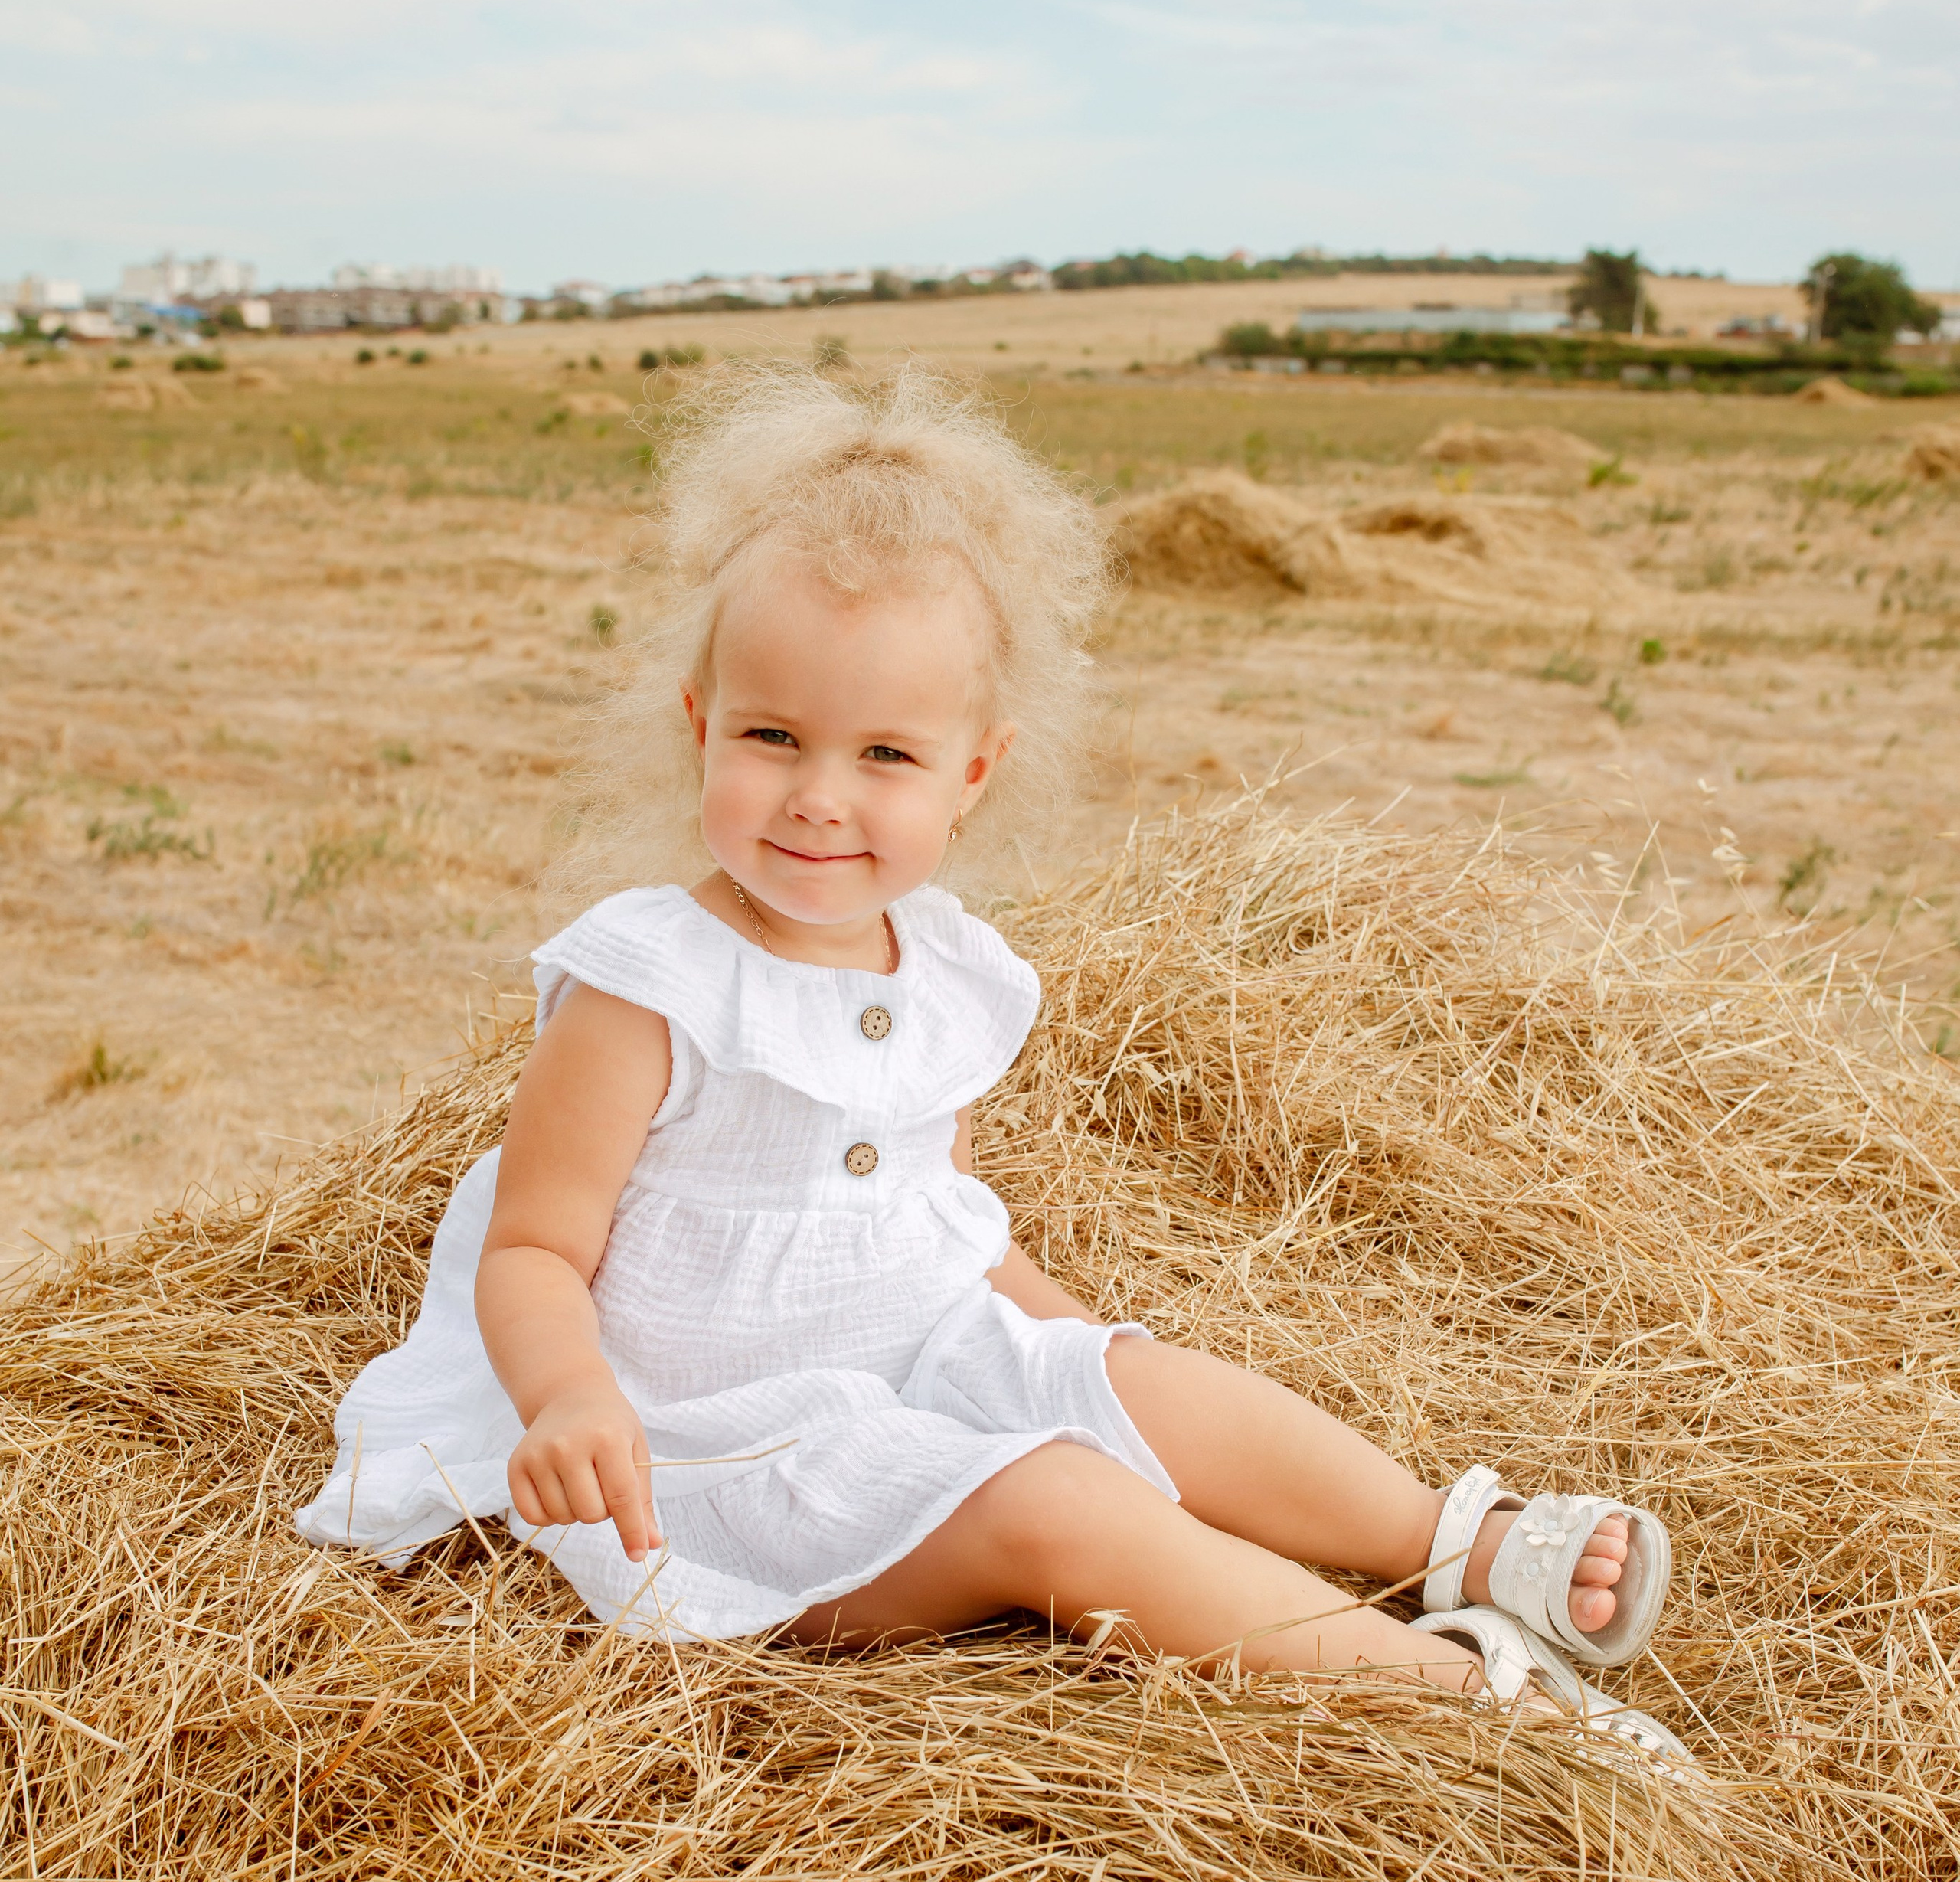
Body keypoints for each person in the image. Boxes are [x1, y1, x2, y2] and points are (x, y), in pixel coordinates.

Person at [299, 368, 1690, 1763]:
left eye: (886, 753)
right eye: (770, 735)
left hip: (916, 1346)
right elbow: (534, 1247)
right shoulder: (649, 984)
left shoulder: (946, 968)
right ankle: (1459, 1701)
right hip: (723, 1442)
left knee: (1144, 1386)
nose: (820, 794)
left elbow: (938, 1210)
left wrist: (1074, 1351)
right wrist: (573, 1399)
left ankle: (1462, 1540)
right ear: (697, 724)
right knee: (1062, 1506)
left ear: (975, 772)